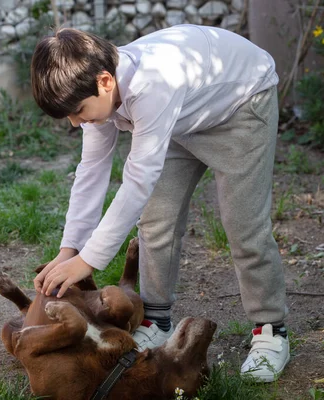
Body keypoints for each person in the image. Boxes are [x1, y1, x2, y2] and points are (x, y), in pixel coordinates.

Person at [30, 24, 289, 382]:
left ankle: (271, 330)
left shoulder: (153, 85)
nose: (76, 123)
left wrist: (89, 261)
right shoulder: (95, 85)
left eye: (78, 111)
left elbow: (137, 181)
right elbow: (91, 169)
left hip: (241, 107)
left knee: (244, 225)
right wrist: (69, 249)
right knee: (156, 220)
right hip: (181, 117)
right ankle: (157, 318)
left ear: (105, 82)